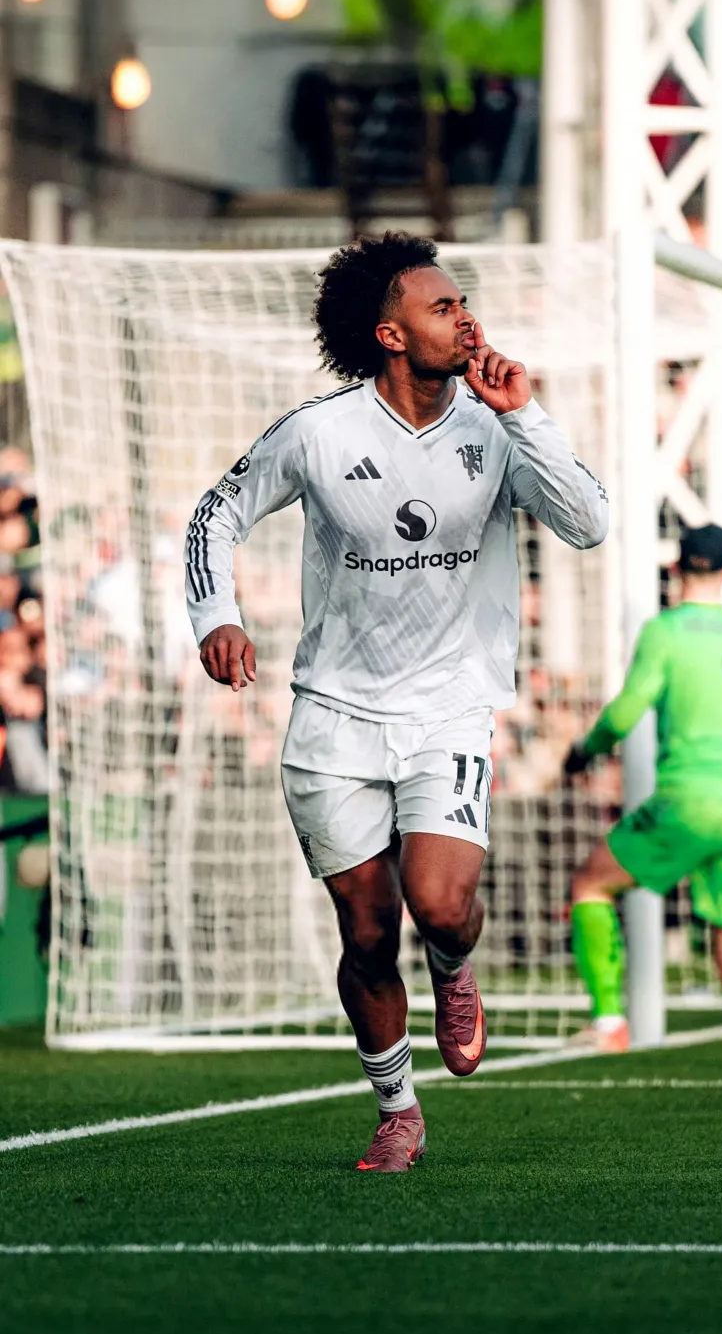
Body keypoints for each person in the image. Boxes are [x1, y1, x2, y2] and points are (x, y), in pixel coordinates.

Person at [185, 231, 608, 1170]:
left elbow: (589, 523)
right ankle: (397, 1109)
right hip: (333, 715)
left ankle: (454, 968)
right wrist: (218, 614)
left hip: (449, 706)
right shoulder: (319, 432)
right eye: (443, 307)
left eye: (464, 303)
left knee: (441, 905)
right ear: (391, 333)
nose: (467, 319)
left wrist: (526, 414)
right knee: (369, 932)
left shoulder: (496, 427)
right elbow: (214, 513)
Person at [564, 523, 722, 1052]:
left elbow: (622, 715)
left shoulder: (666, 631)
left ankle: (609, 1023)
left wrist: (584, 750)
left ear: (676, 568)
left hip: (692, 798)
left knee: (591, 886)